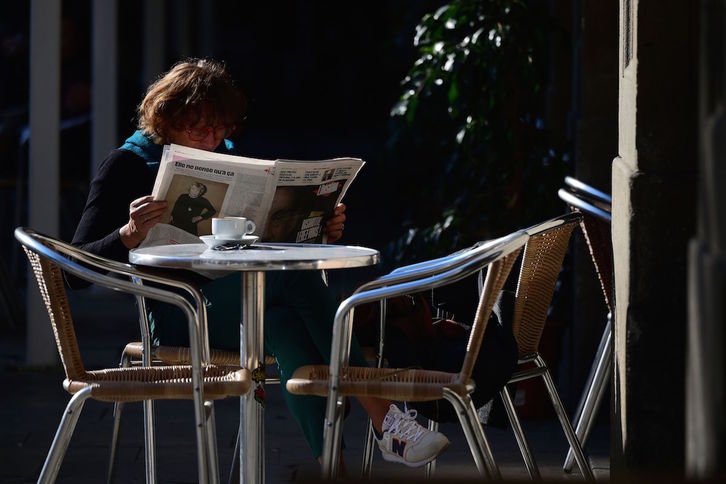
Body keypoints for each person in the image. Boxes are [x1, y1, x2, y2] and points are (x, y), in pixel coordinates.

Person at [70, 58, 450, 469]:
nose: (210, 139)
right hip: (181, 312)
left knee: (283, 323)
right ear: (165, 119)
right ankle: (385, 419)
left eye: (220, 128)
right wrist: (127, 233)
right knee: (285, 286)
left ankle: (334, 468)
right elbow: (75, 271)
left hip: (246, 304)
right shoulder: (126, 165)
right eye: (197, 127)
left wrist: (319, 228)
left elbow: (265, 238)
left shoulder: (231, 156)